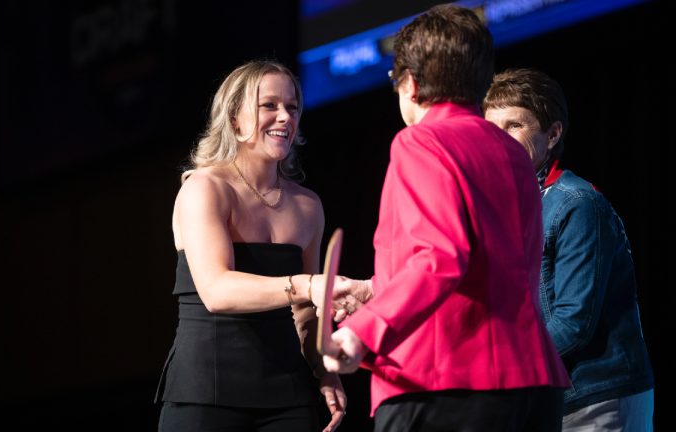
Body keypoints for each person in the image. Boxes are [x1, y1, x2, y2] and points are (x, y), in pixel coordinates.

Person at [321, 5, 570, 431]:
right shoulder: (513, 153)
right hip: (531, 383)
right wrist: (377, 291)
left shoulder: (420, 142)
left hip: (445, 383)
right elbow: (486, 267)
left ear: (410, 84)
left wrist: (362, 331)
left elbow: (441, 256)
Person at [153, 60, 346, 432]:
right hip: (205, 390)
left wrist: (323, 370)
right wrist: (306, 285)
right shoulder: (205, 188)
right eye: (269, 105)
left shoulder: (308, 206)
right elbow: (217, 291)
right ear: (235, 118)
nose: (285, 117)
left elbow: (306, 316)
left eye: (292, 107)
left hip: (287, 395)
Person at [483, 68, 655, 431]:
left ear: (553, 133)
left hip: (596, 396)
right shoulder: (509, 208)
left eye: (514, 126)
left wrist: (495, 366)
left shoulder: (577, 203)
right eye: (491, 129)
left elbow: (573, 323)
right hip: (549, 399)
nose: (498, 141)